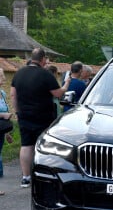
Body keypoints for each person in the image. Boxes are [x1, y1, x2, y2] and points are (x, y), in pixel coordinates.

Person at [10, 48, 71, 188]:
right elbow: (57, 94)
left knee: (26, 145)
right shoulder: (45, 74)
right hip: (43, 116)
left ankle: (26, 177)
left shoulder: (19, 73)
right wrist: (66, 85)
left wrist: (17, 112)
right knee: (43, 146)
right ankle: (43, 176)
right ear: (43, 59)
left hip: (24, 115)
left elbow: (13, 95)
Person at [0, 68, 13, 178]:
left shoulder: (2, 93)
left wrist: (7, 133)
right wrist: (3, 115)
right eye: (1, 75)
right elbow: (4, 115)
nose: (4, 78)